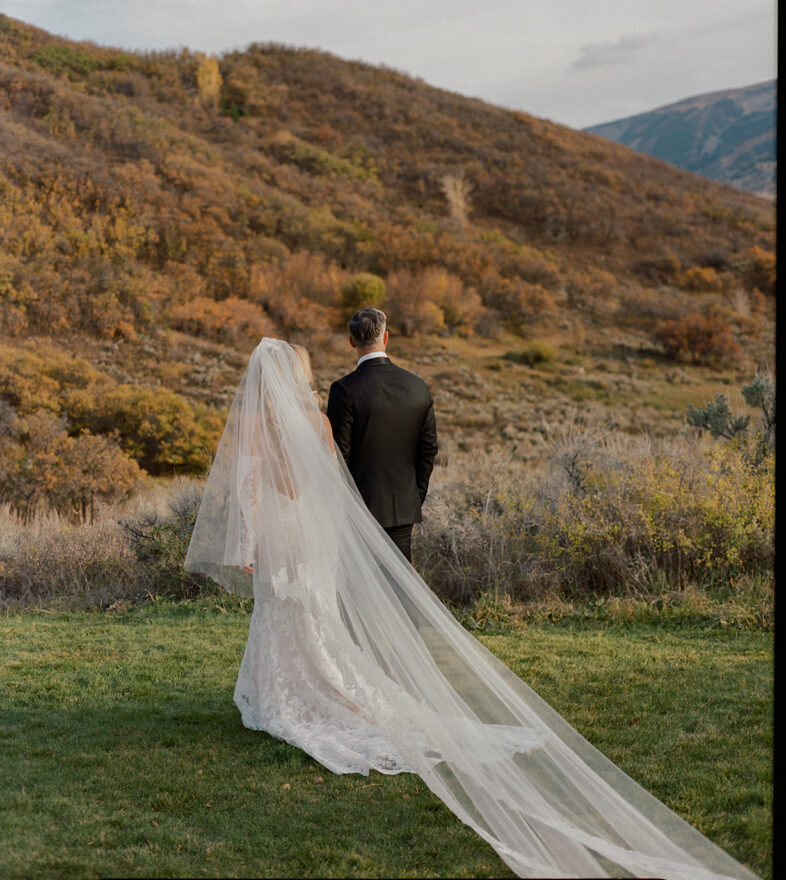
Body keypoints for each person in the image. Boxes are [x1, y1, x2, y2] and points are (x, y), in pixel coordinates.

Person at [184, 337, 758, 880]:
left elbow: (249, 491)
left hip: (278, 535)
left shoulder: (257, 426)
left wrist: (246, 546)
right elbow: (333, 481)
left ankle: (292, 694)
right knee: (310, 613)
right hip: (309, 532)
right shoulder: (315, 419)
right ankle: (322, 686)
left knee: (282, 613)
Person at [326, 306, 438, 563]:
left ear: (351, 340)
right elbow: (429, 450)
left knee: (361, 592)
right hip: (403, 507)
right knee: (399, 591)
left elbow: (338, 457)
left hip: (357, 510)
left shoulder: (344, 390)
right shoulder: (417, 386)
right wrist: (414, 496)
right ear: (385, 338)